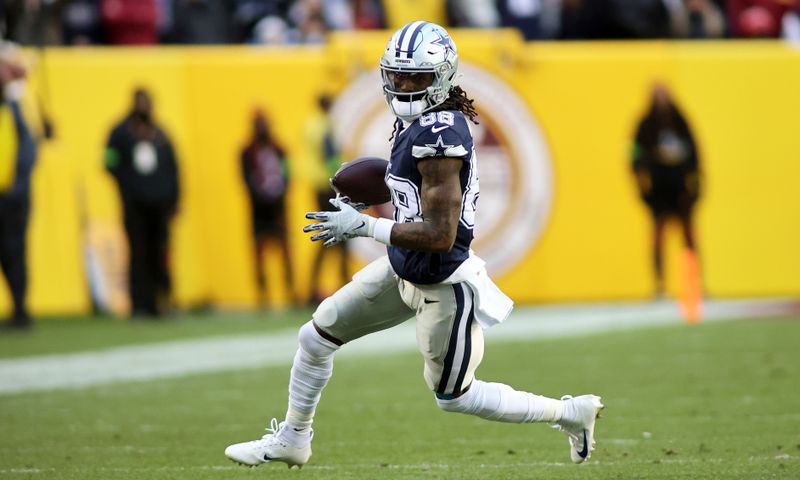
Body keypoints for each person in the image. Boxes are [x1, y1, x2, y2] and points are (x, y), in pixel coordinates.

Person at [224, 21, 603, 469]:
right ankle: (293, 437)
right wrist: (385, 187)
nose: (404, 85)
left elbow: (440, 235)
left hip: (444, 282)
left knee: (454, 396)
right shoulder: (419, 125)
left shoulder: (440, 137)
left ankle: (569, 412)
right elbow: (416, 192)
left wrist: (363, 227)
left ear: (441, 77)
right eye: (397, 75)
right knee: (316, 335)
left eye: (416, 77)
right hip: (404, 267)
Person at [104, 87, 179, 317]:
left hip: (159, 206)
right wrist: (129, 188)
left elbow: (174, 169)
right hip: (135, 206)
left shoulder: (161, 134)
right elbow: (109, 162)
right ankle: (139, 304)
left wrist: (174, 198)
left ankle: (162, 302)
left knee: (160, 254)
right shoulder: (120, 133)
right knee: (138, 254)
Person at [632, 83, 701, 299]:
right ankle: (660, 285)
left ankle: (693, 285)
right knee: (658, 237)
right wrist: (642, 184)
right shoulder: (646, 124)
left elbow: (696, 153)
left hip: (679, 189)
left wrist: (696, 183)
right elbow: (633, 154)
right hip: (659, 191)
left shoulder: (680, 122)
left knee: (688, 236)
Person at [241, 108, 296, 307]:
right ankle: (263, 296)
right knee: (259, 253)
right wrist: (261, 196)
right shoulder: (247, 152)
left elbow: (287, 175)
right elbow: (246, 180)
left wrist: (279, 194)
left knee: (285, 251)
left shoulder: (279, 149)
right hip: (259, 210)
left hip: (278, 208)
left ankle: (291, 293)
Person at [0, 48, 37, 330]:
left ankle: (20, 309)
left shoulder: (16, 108)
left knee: (14, 252)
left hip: (13, 197)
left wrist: (18, 185)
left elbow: (28, 149)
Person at [305, 93, 348, 304]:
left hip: (317, 186)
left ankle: (312, 287)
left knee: (324, 237)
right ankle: (345, 286)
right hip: (328, 187)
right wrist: (342, 180)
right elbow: (330, 158)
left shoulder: (311, 125)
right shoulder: (324, 127)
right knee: (341, 235)